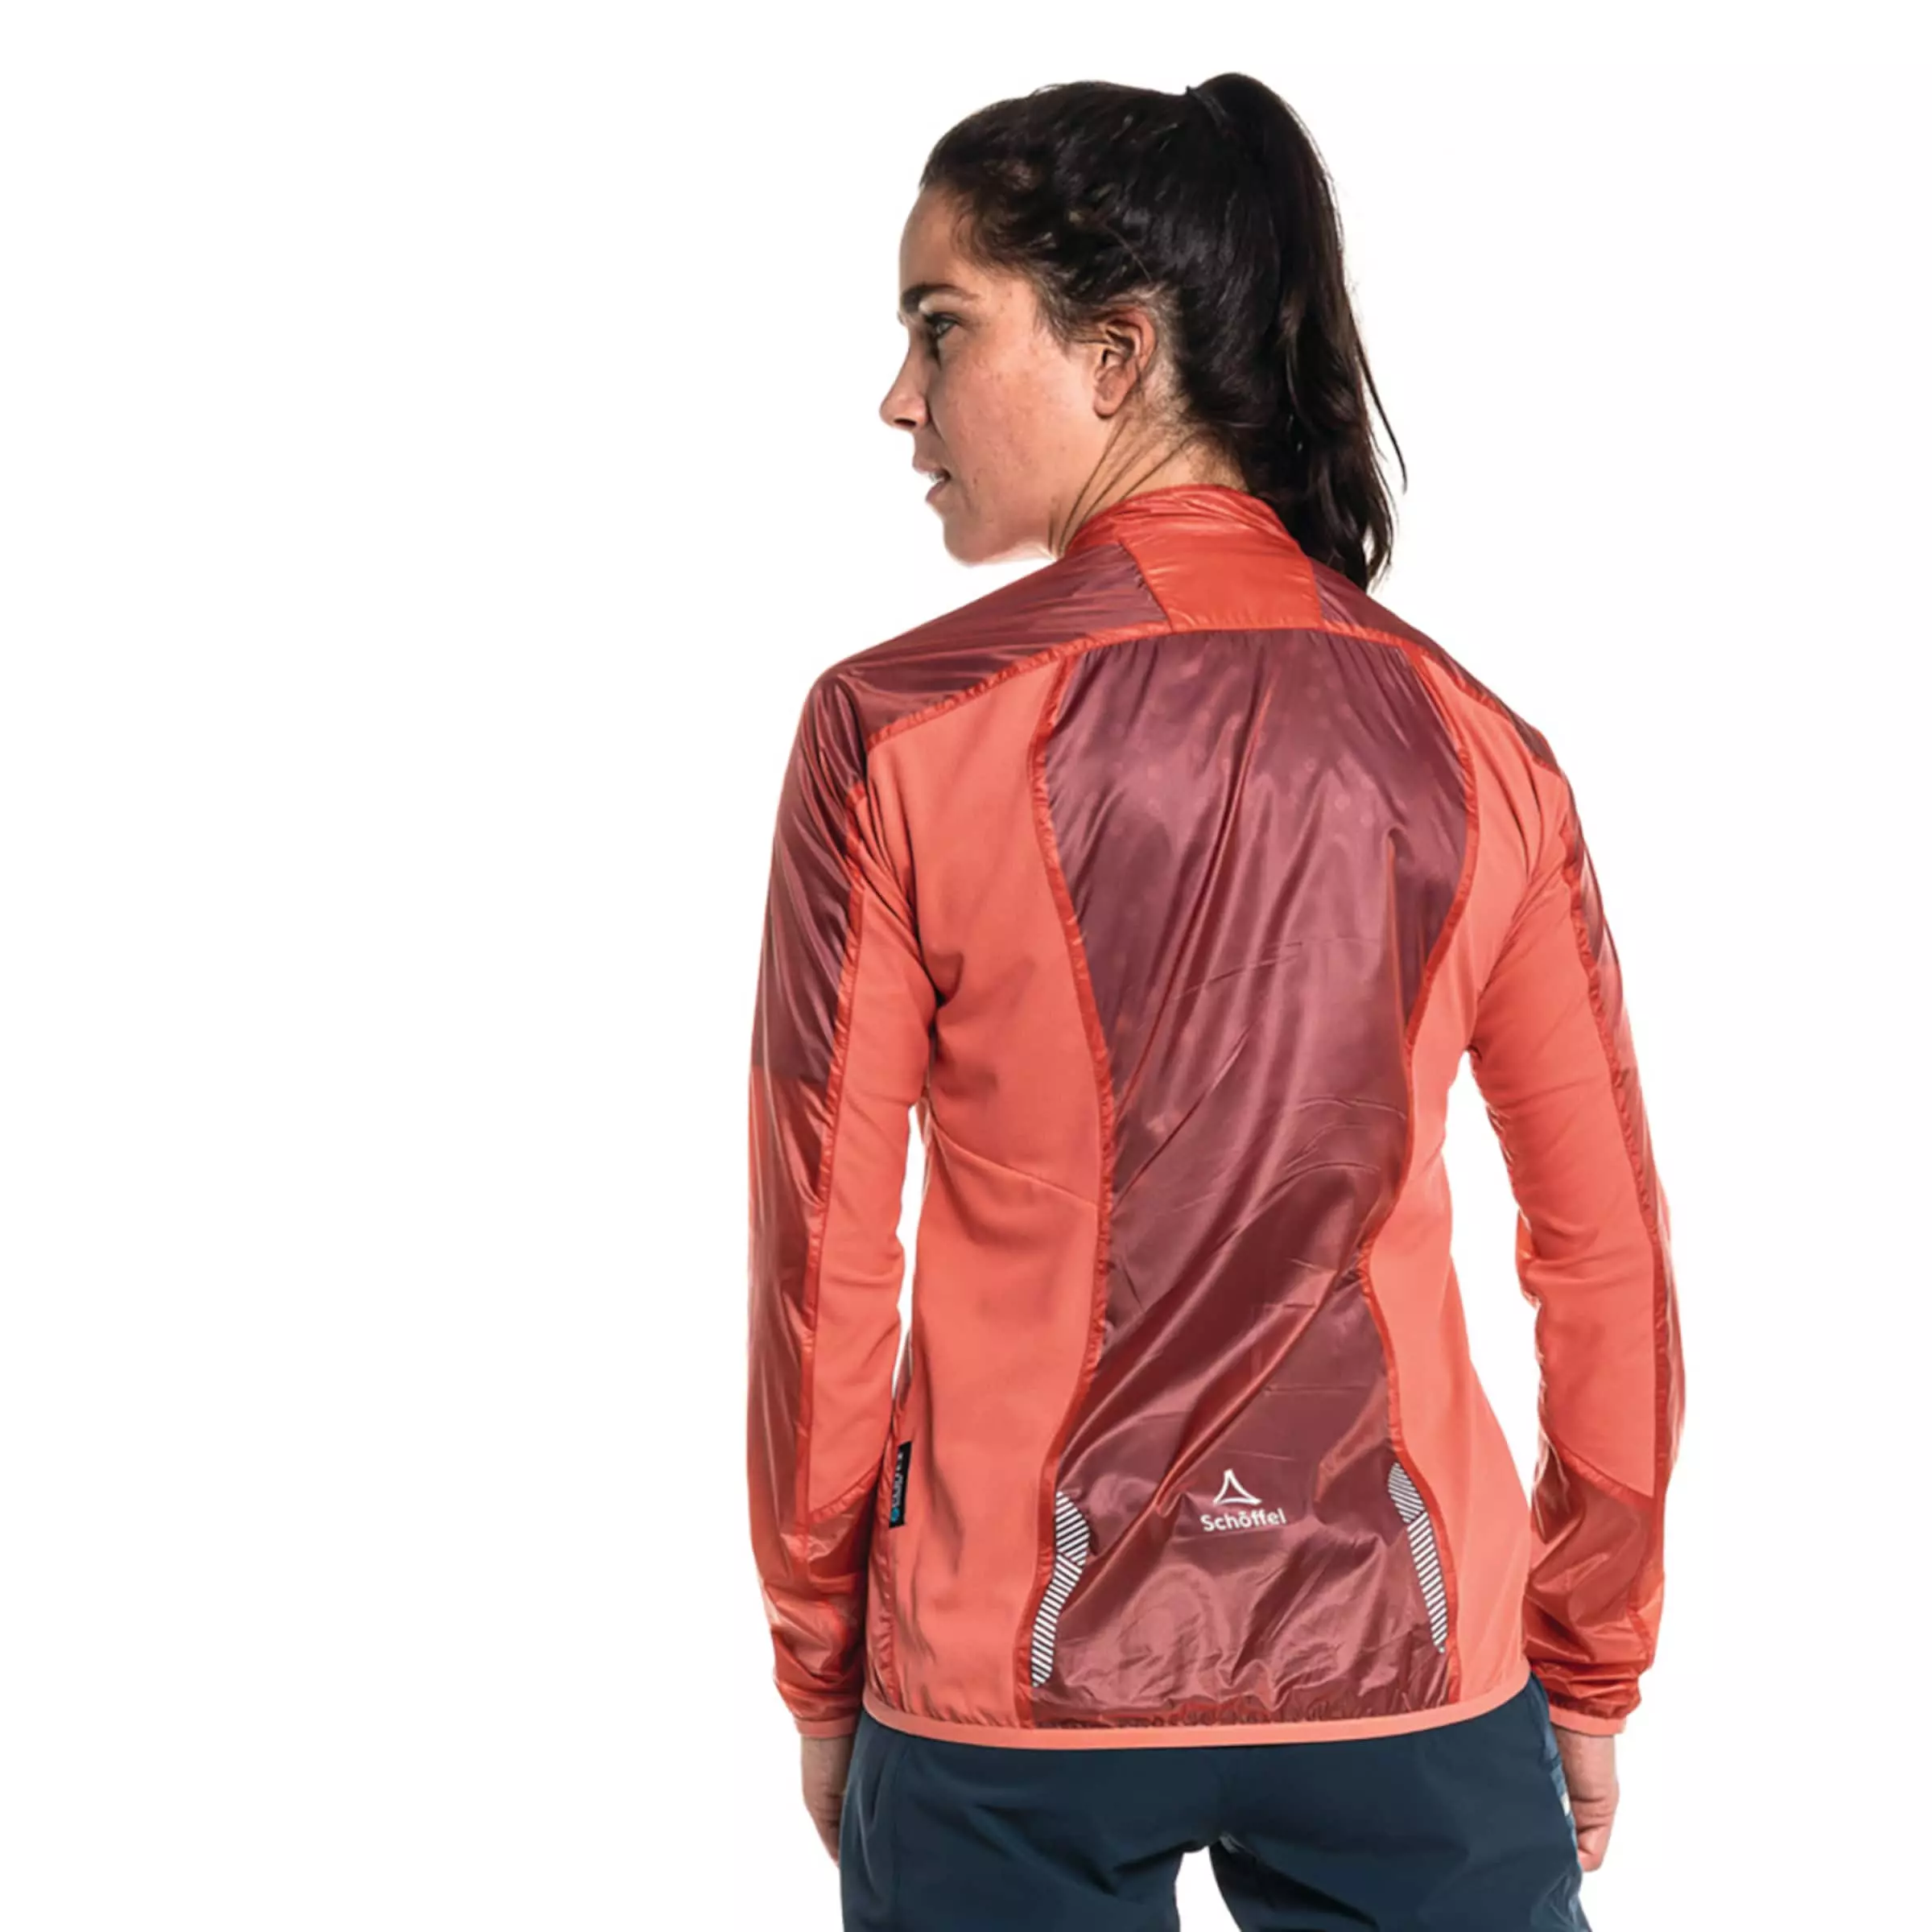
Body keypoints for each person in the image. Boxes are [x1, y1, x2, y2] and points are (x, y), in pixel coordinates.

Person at [745, 71, 1685, 1932]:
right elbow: (1607, 1260)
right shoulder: (1484, 749)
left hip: (1005, 1681)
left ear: (1116, 355)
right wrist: (1586, 1661)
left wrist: (822, 1661)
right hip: (1414, 1663)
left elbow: (826, 1264)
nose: (900, 398)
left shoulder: (896, 737)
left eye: (941, 327)